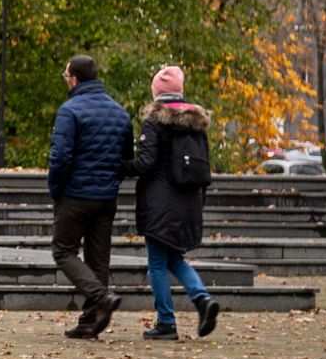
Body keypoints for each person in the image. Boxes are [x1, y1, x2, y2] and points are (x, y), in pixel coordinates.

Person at [132, 64, 222, 341]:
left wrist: (120, 165)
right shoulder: (196, 124)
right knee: (175, 258)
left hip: (160, 203)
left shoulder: (156, 122)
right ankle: (202, 299)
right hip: (189, 202)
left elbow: (146, 163)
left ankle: (166, 322)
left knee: (157, 263)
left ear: (157, 92)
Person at [47, 54, 132, 339]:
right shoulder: (120, 113)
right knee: (99, 260)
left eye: (65, 76)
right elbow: (125, 159)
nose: (65, 80)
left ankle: (101, 297)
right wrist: (110, 182)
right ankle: (89, 322)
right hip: (106, 197)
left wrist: (56, 190)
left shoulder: (70, 111)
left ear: (74, 79)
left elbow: (60, 158)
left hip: (75, 195)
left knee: (63, 250)